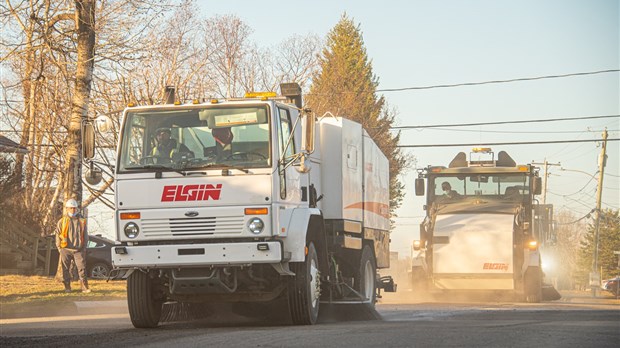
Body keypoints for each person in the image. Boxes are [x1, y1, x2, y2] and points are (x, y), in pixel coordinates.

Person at [55, 199, 90, 293]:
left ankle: (84, 287)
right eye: (71, 208)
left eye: (74, 208)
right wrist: (59, 248)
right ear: (67, 209)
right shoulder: (62, 221)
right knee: (65, 269)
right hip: (65, 249)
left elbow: (85, 235)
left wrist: (84, 247)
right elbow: (58, 235)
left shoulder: (82, 221)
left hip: (79, 249)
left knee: (82, 268)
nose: (73, 210)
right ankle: (67, 287)